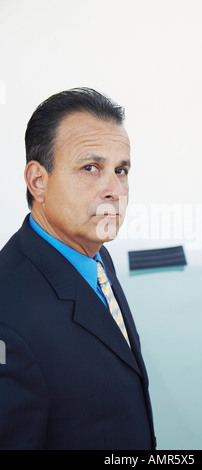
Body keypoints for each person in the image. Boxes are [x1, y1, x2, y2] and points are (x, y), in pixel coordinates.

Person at [0, 88, 156, 450]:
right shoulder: (8, 317)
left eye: (121, 170)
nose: (114, 190)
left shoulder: (95, 252)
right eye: (91, 168)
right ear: (38, 181)